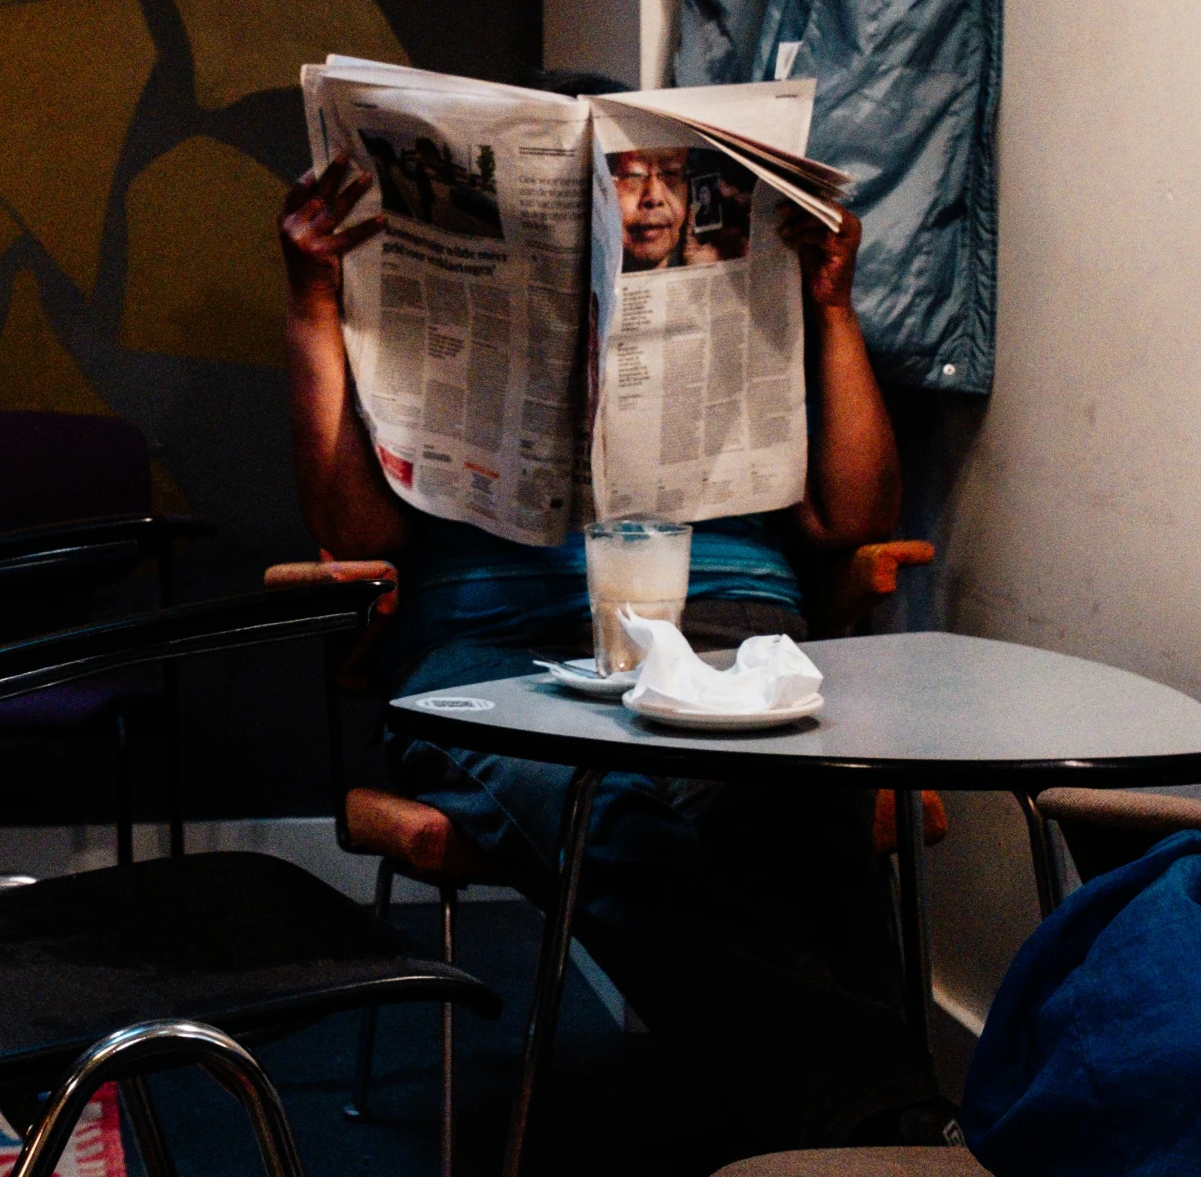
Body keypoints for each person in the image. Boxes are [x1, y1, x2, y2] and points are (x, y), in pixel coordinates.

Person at [277, 154, 938, 1153]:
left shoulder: (744, 314)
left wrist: (833, 308)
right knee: (601, 807)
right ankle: (882, 1116)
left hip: (721, 628)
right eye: (611, 181)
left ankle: (848, 1121)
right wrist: (313, 304)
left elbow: (860, 513)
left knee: (800, 801)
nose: (643, 200)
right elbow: (349, 522)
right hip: (489, 654)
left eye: (653, 176)